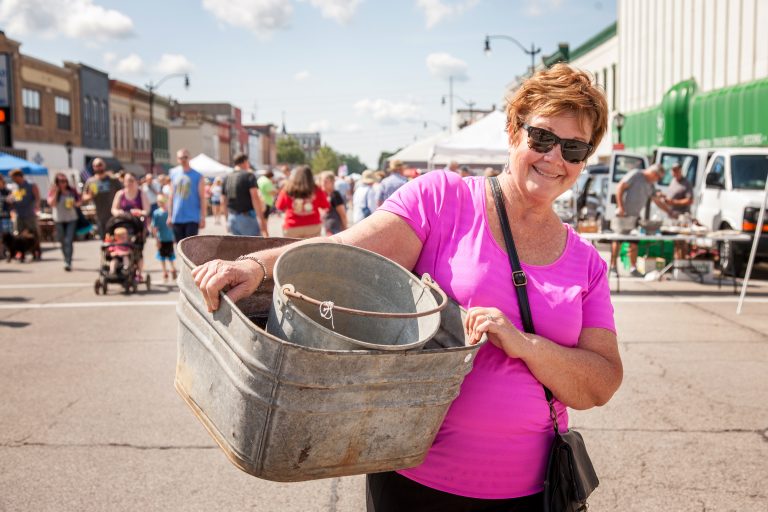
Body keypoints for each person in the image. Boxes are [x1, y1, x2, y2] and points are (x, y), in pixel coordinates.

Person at [192, 63, 622, 511]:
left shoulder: (585, 263)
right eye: (542, 138)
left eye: (573, 148)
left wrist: (525, 344)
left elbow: (600, 384)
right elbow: (341, 255)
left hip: (534, 493)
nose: (555, 158)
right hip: (414, 480)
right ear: (514, 130)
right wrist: (256, 267)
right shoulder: (443, 199)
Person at [610, 163, 671, 276]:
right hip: (623, 215)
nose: (657, 180)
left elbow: (657, 200)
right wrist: (621, 207)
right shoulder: (636, 174)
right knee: (617, 240)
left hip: (635, 217)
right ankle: (613, 266)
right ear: (653, 173)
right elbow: (620, 187)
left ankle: (633, 268)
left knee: (634, 241)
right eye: (657, 177)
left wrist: (669, 211)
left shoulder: (650, 184)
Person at [112, 173, 150, 281]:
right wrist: (118, 212)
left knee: (138, 251)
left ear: (136, 182)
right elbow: (113, 209)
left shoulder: (141, 194)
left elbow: (147, 210)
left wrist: (140, 212)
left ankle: (139, 273)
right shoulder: (120, 194)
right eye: (127, 181)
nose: (129, 183)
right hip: (123, 225)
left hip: (137, 226)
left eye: (131, 180)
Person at [274, 165, 329, 239]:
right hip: (312, 226)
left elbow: (279, 206)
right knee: (312, 250)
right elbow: (325, 205)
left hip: (292, 227)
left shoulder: (287, 189)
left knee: (293, 250)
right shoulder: (317, 189)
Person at [221, 153, 268, 237]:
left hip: (232, 218)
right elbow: (255, 198)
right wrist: (261, 220)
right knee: (254, 248)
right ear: (244, 162)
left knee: (238, 248)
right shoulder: (248, 176)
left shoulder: (227, 177)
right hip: (247, 218)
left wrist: (226, 220)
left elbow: (223, 201)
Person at [167, 148, 206, 242]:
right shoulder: (174, 174)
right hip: (177, 217)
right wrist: (169, 215)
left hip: (192, 218)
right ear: (177, 159)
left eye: (185, 157)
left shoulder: (198, 175)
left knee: (190, 248)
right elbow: (171, 196)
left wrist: (203, 217)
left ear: (190, 158)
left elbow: (202, 198)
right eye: (181, 158)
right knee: (179, 247)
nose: (183, 160)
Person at [46, 173, 81, 271]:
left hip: (71, 218)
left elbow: (79, 202)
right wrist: (57, 193)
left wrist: (75, 203)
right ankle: (66, 258)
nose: (63, 183)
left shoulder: (71, 191)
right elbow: (51, 204)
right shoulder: (53, 191)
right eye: (61, 181)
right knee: (62, 241)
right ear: (57, 182)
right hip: (59, 219)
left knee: (68, 240)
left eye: (65, 181)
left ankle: (68, 262)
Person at [82, 158, 122, 238]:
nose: (98, 167)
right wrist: (90, 196)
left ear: (104, 165)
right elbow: (83, 198)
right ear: (93, 167)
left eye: (100, 165)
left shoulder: (113, 179)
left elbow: (122, 193)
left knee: (115, 238)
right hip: (99, 216)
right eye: (95, 166)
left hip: (114, 214)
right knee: (104, 239)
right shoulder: (91, 181)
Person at [8, 168, 41, 259]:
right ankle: (22, 253)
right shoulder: (14, 187)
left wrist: (37, 207)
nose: (13, 180)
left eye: (14, 178)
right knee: (19, 235)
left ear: (19, 176)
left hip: (29, 213)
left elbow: (37, 197)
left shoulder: (31, 185)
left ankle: (36, 251)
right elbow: (13, 199)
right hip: (19, 214)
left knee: (33, 234)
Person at [664, 163, 694, 260]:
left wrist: (674, 202)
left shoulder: (686, 183)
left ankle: (682, 261)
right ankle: (677, 261)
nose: (675, 172)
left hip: (682, 217)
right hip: (673, 217)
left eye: (677, 170)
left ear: (680, 170)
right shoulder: (673, 181)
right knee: (675, 242)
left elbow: (690, 200)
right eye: (673, 170)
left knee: (682, 241)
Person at [151, 194, 177, 282]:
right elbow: (173, 225)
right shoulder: (169, 212)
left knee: (162, 256)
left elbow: (154, 227)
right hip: (168, 237)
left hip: (161, 238)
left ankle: (165, 271)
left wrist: (156, 239)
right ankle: (172, 268)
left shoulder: (157, 213)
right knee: (170, 255)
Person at [319, 170, 348, 235]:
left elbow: (343, 214)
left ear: (332, 182)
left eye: (326, 181)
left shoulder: (335, 195)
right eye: (322, 181)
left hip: (335, 230)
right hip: (326, 229)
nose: (323, 183)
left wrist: (345, 228)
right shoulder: (323, 194)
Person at [0, 174, 13, 259]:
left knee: (5, 236)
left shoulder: (7, 191)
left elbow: (11, 202)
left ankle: (4, 253)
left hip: (5, 217)